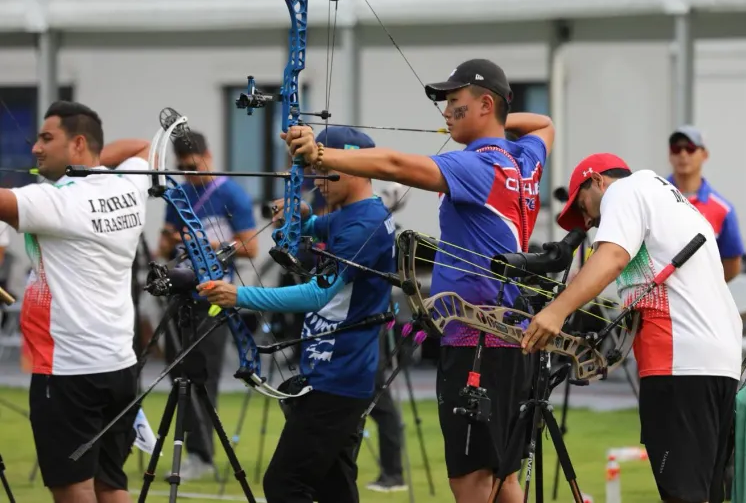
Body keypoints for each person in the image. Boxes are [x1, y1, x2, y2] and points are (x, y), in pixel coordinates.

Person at [284, 58, 555, 503]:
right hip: (512, 339)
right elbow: (544, 124)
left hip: (475, 340)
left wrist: (320, 155)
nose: (446, 113)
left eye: (455, 102)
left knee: (472, 481)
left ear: (486, 104)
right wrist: (492, 122)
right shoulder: (523, 161)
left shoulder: (479, 166)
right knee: (504, 479)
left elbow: (394, 164)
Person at [521, 153, 743, 503]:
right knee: (704, 494)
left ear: (597, 180)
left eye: (583, 206)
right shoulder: (669, 199)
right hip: (719, 363)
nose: (589, 221)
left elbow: (612, 258)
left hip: (678, 361)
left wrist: (556, 312)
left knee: (683, 495)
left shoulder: (624, 191)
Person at [197, 127, 395, 503]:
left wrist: (239, 295)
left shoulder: (364, 224)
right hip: (332, 370)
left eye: (324, 170)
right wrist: (294, 216)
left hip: (339, 376)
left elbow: (317, 293)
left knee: (285, 484)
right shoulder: (350, 214)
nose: (316, 182)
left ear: (353, 165)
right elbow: (308, 229)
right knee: (334, 489)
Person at [0, 101, 151, 503]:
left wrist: (79, 171)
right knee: (110, 484)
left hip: (67, 372)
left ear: (78, 143)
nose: (36, 148)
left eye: (47, 139)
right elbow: (142, 147)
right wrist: (91, 166)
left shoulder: (55, 200)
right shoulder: (128, 187)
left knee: (74, 489)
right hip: (119, 366)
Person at [156, 130, 258, 480]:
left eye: (193, 166)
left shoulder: (231, 194)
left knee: (203, 377)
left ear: (208, 156)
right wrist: (168, 241)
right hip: (180, 296)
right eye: (182, 168)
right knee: (178, 376)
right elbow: (164, 245)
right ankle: (191, 451)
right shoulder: (179, 193)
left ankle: (202, 455)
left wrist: (205, 244)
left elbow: (250, 247)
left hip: (214, 299)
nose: (189, 174)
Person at [667, 125, 745, 282]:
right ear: (670, 155)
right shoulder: (652, 198)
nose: (683, 154)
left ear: (704, 154)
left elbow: (732, 263)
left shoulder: (723, 209)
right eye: (676, 149)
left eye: (690, 148)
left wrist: (705, 289)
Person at [365, 324, 407, 493]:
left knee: (384, 412)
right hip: (364, 354)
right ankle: (392, 473)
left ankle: (393, 473)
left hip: (368, 357)